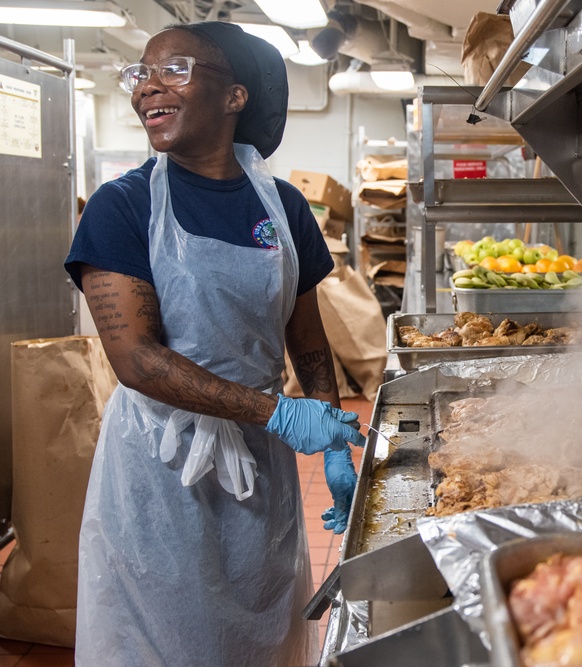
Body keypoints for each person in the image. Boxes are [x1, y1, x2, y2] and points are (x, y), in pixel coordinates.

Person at [64, 21, 362, 666]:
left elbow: (307, 336)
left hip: (259, 463)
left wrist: (334, 431)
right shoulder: (122, 206)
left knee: (261, 626)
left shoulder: (283, 207)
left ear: (235, 97)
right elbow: (137, 359)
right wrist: (280, 412)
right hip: (160, 464)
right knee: (160, 633)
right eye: (140, 74)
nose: (147, 88)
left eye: (172, 70)